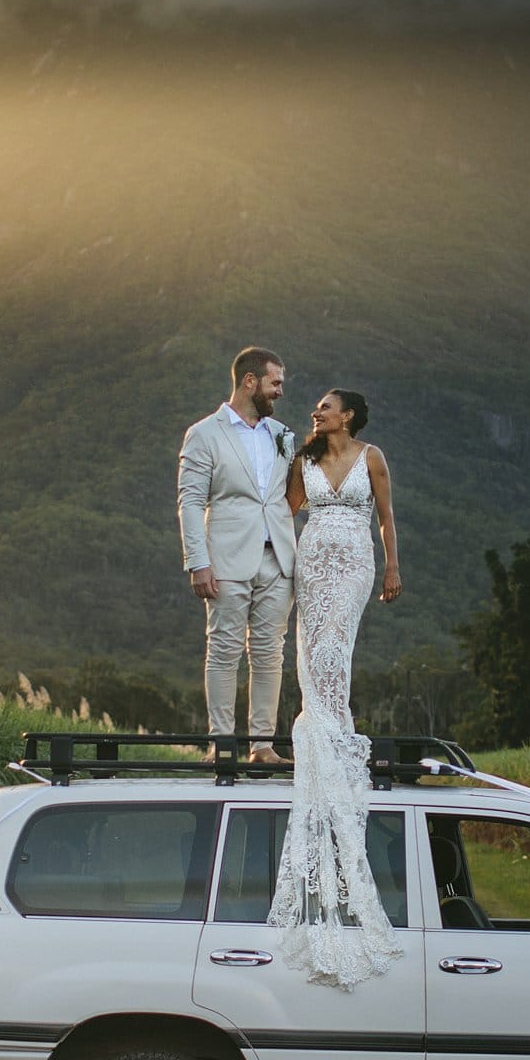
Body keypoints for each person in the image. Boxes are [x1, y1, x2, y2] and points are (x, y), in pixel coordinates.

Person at [269, 386, 406, 987]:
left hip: (353, 566)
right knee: (309, 659)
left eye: (326, 406)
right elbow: (287, 510)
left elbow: (385, 516)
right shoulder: (303, 462)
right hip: (311, 562)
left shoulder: (372, 456)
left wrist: (393, 566)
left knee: (333, 656)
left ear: (347, 415)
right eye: (316, 408)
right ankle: (324, 746)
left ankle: (332, 740)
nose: (316, 412)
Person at [176, 347, 301, 747]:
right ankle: (221, 744)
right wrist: (198, 562)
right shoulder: (204, 433)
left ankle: (262, 747)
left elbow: (289, 495)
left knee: (270, 655)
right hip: (226, 560)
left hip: (279, 560)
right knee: (224, 650)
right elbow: (191, 502)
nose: (280, 391)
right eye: (275, 382)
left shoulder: (282, 436)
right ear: (251, 382)